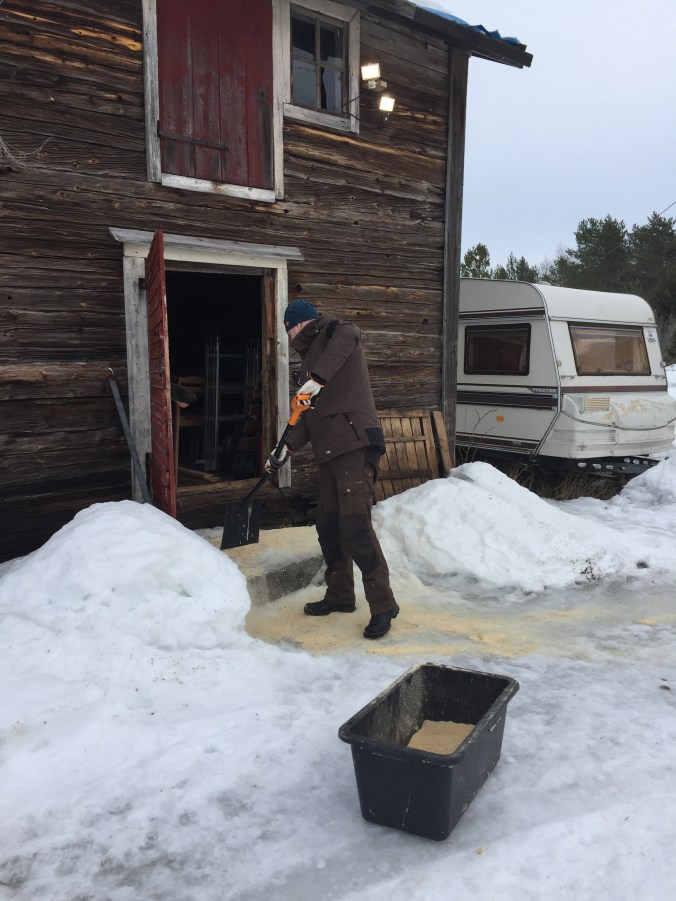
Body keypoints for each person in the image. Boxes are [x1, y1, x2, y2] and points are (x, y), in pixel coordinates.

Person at [266, 298, 399, 640]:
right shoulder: (306, 363)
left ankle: (383, 605)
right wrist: (285, 448)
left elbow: (351, 334)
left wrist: (317, 378)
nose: (289, 333)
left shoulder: (334, 332)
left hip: (354, 444)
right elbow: (307, 419)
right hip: (329, 453)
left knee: (355, 525)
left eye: (290, 326)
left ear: (300, 323)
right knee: (328, 525)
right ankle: (340, 596)